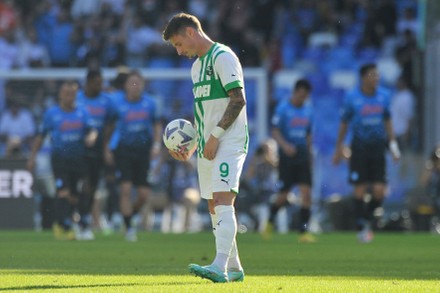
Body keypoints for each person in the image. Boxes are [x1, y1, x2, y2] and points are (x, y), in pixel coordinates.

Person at [162, 12, 248, 283]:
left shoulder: (223, 57)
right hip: (208, 144)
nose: (179, 51)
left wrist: (216, 136)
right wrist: (193, 145)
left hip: (229, 141)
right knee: (213, 204)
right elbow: (202, 114)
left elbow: (238, 100)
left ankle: (219, 265)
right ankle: (234, 267)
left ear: (190, 32)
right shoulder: (196, 68)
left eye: (178, 43)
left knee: (223, 200)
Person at [332, 63, 400, 243]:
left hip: (378, 149)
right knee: (360, 190)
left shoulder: (384, 96)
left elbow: (388, 123)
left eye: (377, 75)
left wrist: (394, 147)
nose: (376, 78)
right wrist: (339, 147)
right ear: (363, 77)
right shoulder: (351, 97)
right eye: (372, 75)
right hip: (359, 149)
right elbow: (344, 124)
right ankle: (362, 227)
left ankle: (365, 220)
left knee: (379, 191)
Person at [27, 81, 97, 240]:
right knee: (63, 191)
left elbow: (92, 130)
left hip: (79, 159)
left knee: (75, 194)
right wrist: (32, 157)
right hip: (60, 159)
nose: (69, 96)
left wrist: (91, 137)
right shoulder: (51, 114)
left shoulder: (82, 112)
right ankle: (62, 225)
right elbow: (40, 136)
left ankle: (72, 222)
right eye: (66, 93)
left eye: (72, 93)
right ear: (60, 94)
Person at [104, 70, 162, 242]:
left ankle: (130, 215)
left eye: (138, 83)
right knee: (126, 189)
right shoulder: (117, 104)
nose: (135, 86)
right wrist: (107, 148)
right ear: (126, 86)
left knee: (144, 194)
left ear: (143, 85)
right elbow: (109, 127)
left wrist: (157, 145)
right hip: (123, 150)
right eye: (132, 83)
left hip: (143, 151)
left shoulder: (150, 103)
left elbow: (157, 125)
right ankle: (129, 227)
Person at [262, 79, 316, 243]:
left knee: (306, 194)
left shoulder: (308, 111)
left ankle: (303, 232)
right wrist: (285, 146)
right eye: (300, 95)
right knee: (283, 196)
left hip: (302, 155)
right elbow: (275, 131)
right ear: (295, 92)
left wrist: (309, 152)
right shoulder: (283, 109)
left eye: (305, 96)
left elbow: (308, 135)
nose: (302, 98)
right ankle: (270, 222)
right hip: (287, 157)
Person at [75, 69, 116, 240]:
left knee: (92, 187)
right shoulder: (77, 99)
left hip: (98, 149)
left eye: (101, 83)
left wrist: (106, 146)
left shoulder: (106, 101)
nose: (100, 86)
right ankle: (77, 220)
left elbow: (111, 123)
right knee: (81, 186)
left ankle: (84, 221)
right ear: (88, 83)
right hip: (78, 149)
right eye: (97, 83)